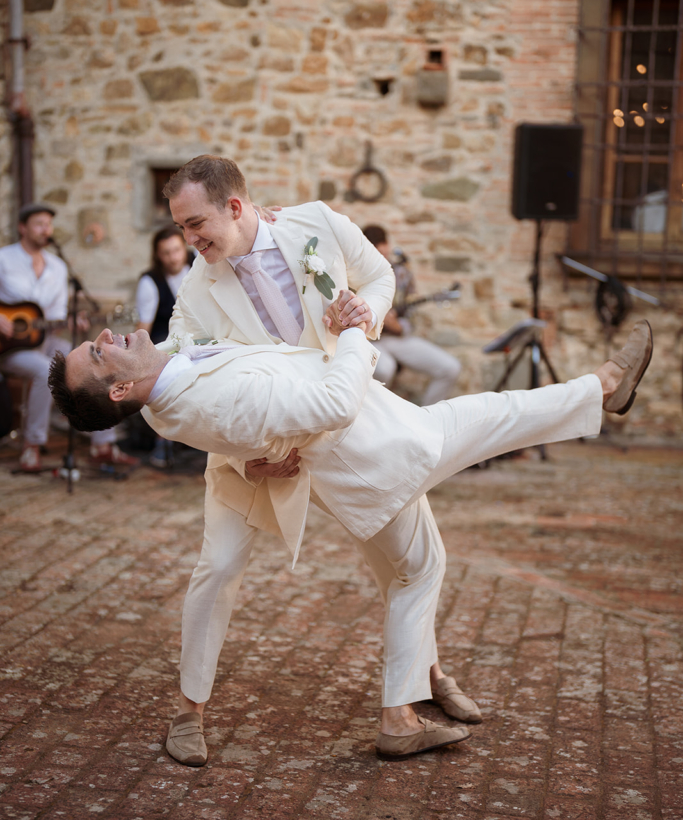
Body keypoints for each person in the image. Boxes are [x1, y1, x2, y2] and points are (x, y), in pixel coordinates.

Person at [49, 315, 653, 762]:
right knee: (494, 420)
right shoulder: (191, 397)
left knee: (425, 559)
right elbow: (332, 400)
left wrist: (253, 457)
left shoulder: (166, 391)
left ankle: (404, 710)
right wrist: (355, 333)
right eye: (97, 356)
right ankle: (603, 386)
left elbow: (233, 419)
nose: (104, 339)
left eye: (94, 342)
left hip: (372, 455)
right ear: (119, 391)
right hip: (380, 454)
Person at [0, 202, 134, 471]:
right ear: (22, 228)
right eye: (39, 224)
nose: (45, 230)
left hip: (43, 340)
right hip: (9, 348)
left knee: (93, 363)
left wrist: (72, 322)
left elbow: (56, 316)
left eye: (48, 225)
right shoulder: (3, 259)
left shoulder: (58, 267)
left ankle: (103, 444)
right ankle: (32, 446)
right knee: (43, 370)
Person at [363, 224, 462, 406]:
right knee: (385, 369)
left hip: (395, 337)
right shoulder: (354, 274)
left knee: (450, 368)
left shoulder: (402, 274)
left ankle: (426, 418)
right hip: (367, 340)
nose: (381, 253)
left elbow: (411, 318)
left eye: (383, 247)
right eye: (375, 248)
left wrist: (397, 326)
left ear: (387, 246)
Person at [135, 226, 193, 467]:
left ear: (184, 247)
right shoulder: (149, 282)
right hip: (166, 339)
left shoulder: (201, 262)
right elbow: (143, 329)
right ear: (158, 255)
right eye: (166, 253)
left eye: (177, 250)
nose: (173, 258)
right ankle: (164, 438)